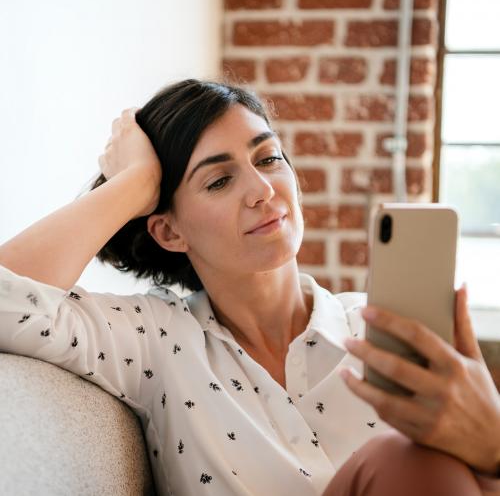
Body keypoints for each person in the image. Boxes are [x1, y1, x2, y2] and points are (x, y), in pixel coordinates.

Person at [0, 78, 498, 496]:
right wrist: (132, 182)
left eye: (268, 159)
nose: (263, 191)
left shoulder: (380, 328)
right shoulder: (155, 340)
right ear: (170, 230)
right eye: (219, 181)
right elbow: (8, 297)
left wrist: (492, 444)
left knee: (419, 462)